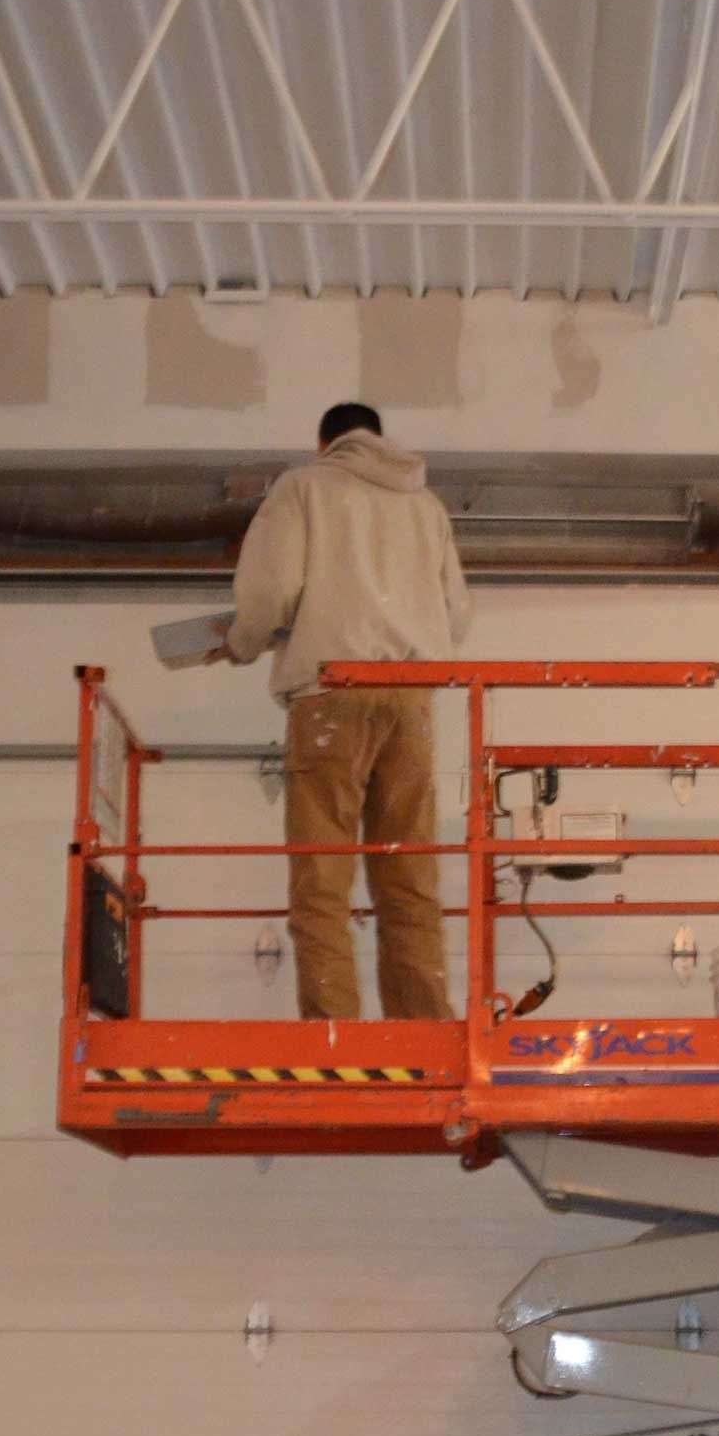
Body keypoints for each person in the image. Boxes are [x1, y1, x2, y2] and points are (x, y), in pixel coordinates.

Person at [216, 401, 470, 1021]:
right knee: (408, 880)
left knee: (323, 886)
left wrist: (243, 643)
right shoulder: (426, 506)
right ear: (377, 438)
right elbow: (455, 614)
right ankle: (424, 1033)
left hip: (332, 695)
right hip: (412, 697)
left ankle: (335, 1040)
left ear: (324, 442)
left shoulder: (304, 488)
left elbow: (270, 589)